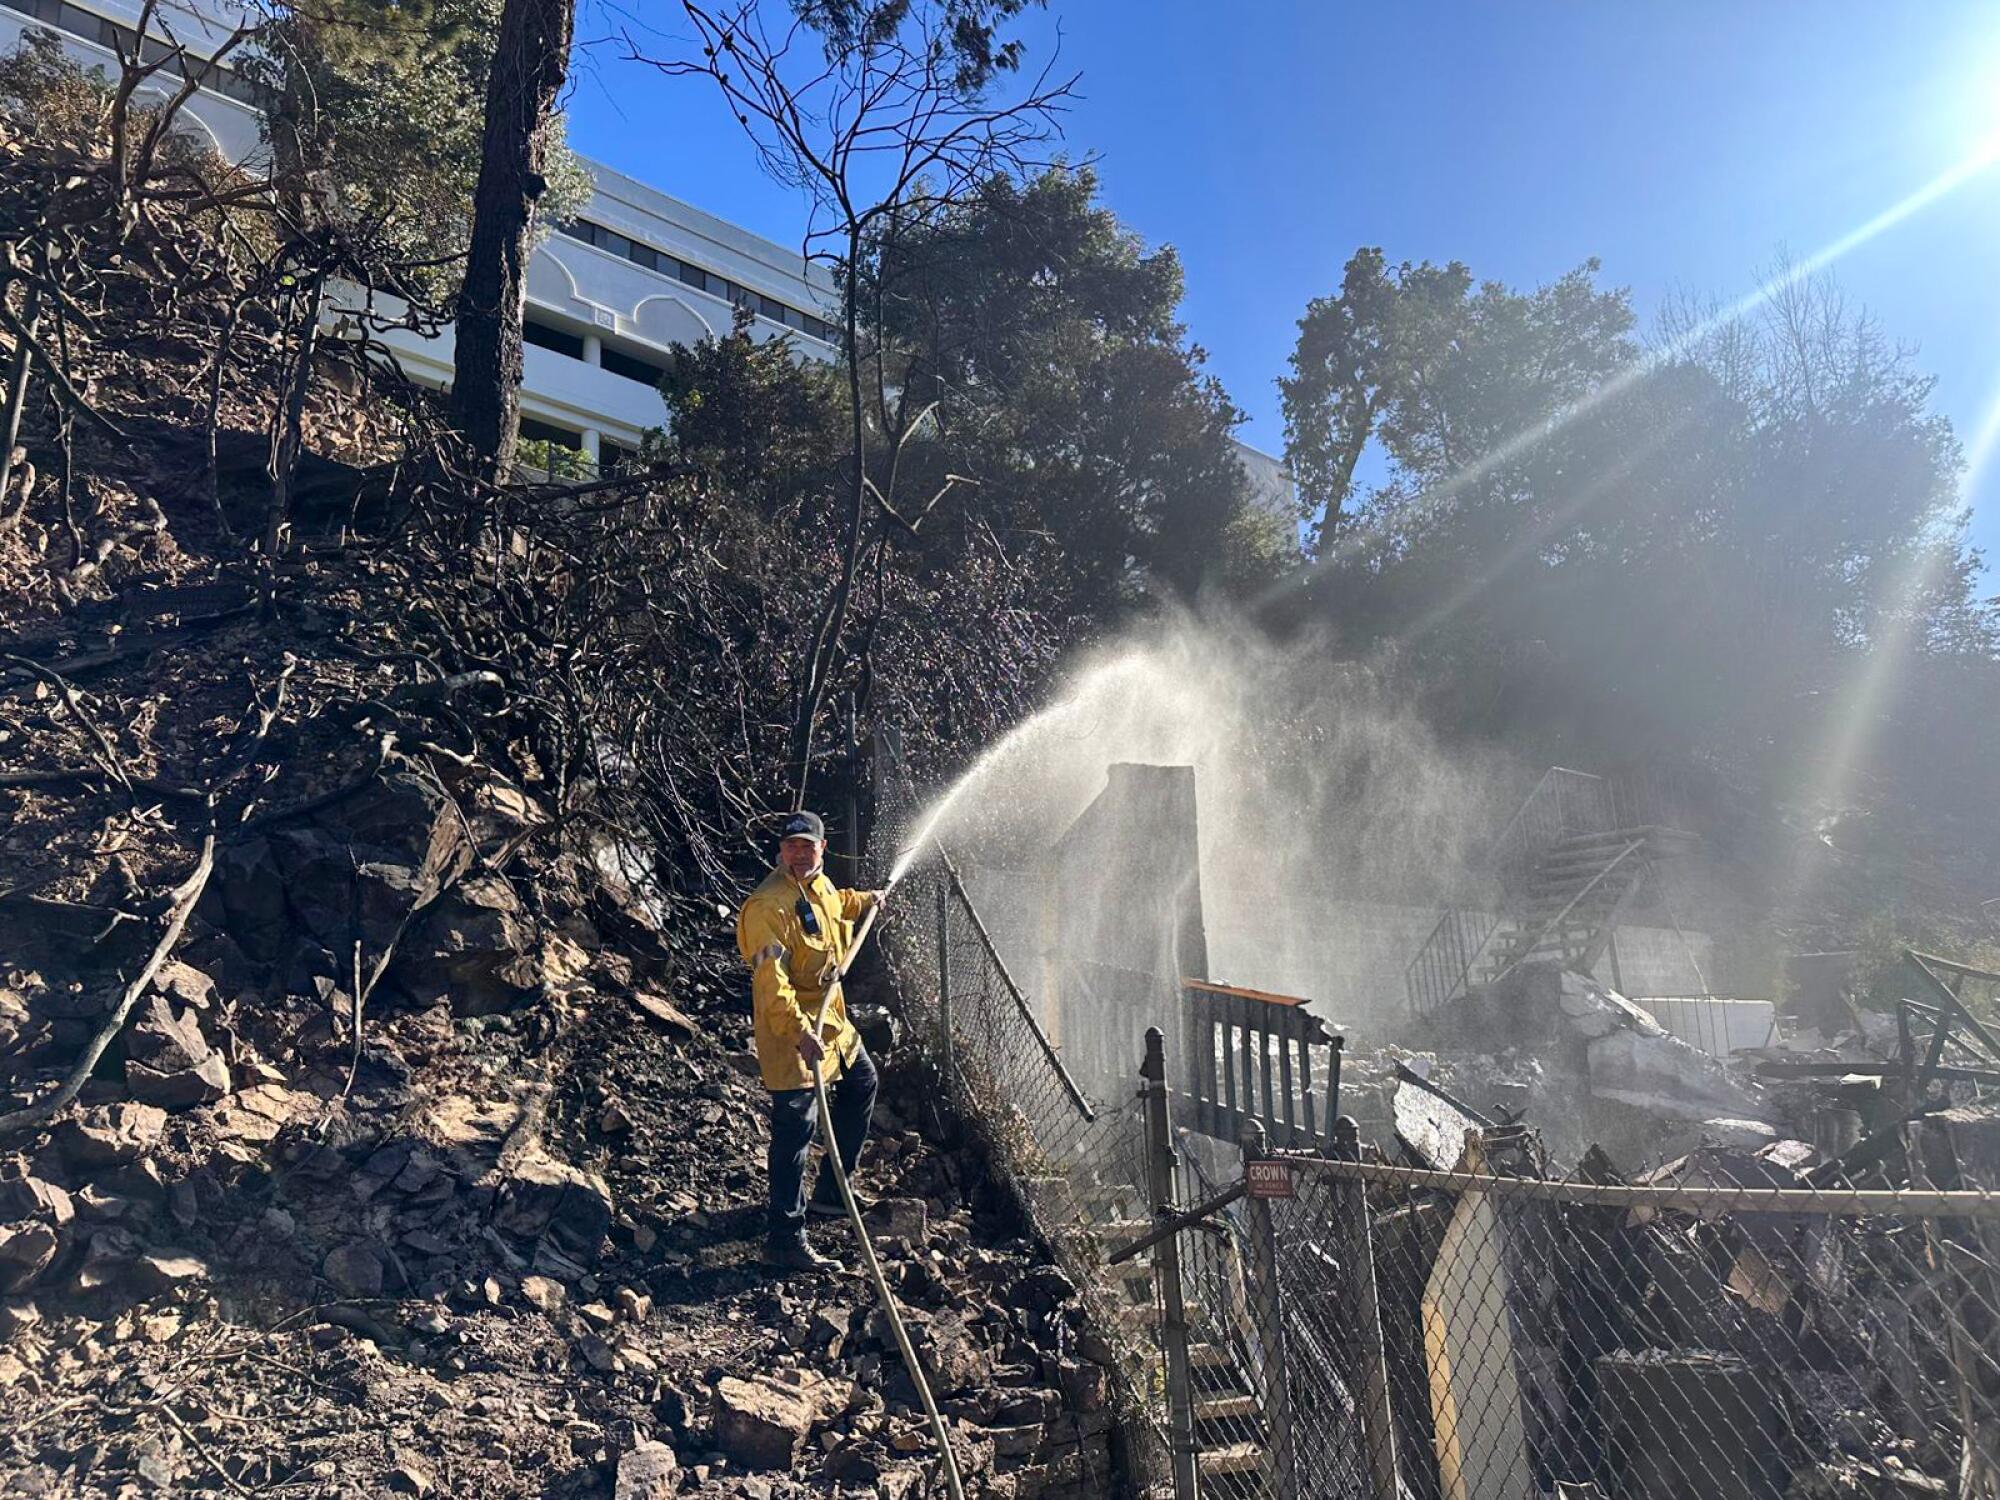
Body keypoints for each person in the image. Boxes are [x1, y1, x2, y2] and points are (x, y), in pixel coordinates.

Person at [735, 810, 884, 1272]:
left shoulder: (820, 888)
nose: (799, 853)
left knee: (862, 1082)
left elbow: (838, 904)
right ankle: (784, 1237)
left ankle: (832, 1196)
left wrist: (869, 900)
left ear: (822, 850)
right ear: (780, 852)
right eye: (791, 846)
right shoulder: (769, 907)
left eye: (808, 846)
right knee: (795, 1129)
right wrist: (800, 1033)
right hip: (792, 1031)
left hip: (833, 1025)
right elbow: (771, 984)